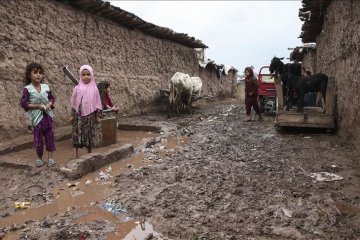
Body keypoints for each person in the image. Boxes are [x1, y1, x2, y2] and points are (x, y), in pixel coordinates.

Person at [20, 63, 56, 167]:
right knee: (38, 139)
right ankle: (39, 158)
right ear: (29, 75)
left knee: (50, 137)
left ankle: (51, 158)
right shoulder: (28, 89)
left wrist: (50, 103)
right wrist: (38, 106)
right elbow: (24, 103)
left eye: (40, 73)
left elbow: (52, 98)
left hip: (48, 117)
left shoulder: (46, 87)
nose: (38, 75)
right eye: (35, 72)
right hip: (36, 119)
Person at [70, 65, 102, 158]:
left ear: (92, 75)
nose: (86, 76)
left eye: (88, 74)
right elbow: (73, 102)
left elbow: (97, 103)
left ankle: (89, 153)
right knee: (76, 133)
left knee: (88, 134)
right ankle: (76, 154)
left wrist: (97, 116)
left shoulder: (94, 88)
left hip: (89, 116)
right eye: (83, 75)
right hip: (78, 116)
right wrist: (72, 115)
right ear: (80, 75)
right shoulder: (77, 88)